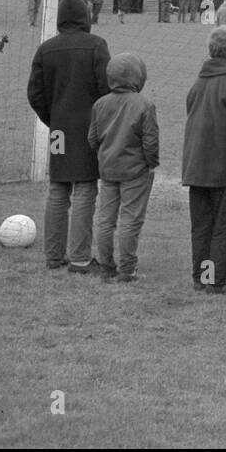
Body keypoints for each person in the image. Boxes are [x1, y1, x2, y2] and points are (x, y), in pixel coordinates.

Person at [28, 0, 110, 273]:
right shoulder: (97, 46)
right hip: (88, 130)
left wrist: (53, 119)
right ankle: (79, 258)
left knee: (58, 187)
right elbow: (106, 89)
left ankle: (54, 256)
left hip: (59, 131)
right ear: (85, 18)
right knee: (86, 187)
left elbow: (35, 94)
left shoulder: (45, 49)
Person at [181, 26, 226, 295]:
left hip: (196, 165)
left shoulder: (198, 82)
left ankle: (201, 277)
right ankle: (213, 281)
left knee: (202, 225)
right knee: (222, 226)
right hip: (221, 167)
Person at [88, 53, 159, 283]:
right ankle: (128, 269)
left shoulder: (100, 104)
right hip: (135, 171)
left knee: (105, 219)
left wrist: (105, 154)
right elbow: (150, 142)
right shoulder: (144, 104)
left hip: (108, 169)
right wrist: (151, 163)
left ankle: (106, 265)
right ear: (139, 76)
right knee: (130, 219)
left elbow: (92, 138)